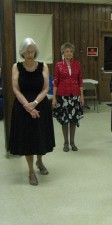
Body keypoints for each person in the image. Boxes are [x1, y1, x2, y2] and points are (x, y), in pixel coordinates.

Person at [9, 37, 55, 186]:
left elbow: (45, 88)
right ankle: (30, 171)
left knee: (40, 136)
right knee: (28, 139)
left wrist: (34, 103)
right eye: (27, 52)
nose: (30, 54)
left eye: (32, 51)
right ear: (22, 52)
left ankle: (40, 161)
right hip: (23, 107)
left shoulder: (43, 66)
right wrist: (27, 106)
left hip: (40, 105)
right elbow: (16, 88)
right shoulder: (16, 67)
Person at [52, 42, 84, 152]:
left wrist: (82, 96)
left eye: (70, 51)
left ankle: (72, 142)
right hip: (62, 96)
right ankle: (65, 143)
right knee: (65, 120)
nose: (69, 53)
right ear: (63, 53)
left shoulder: (77, 64)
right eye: (67, 51)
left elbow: (80, 81)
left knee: (73, 120)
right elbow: (55, 81)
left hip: (75, 95)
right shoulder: (58, 65)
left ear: (73, 53)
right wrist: (54, 97)